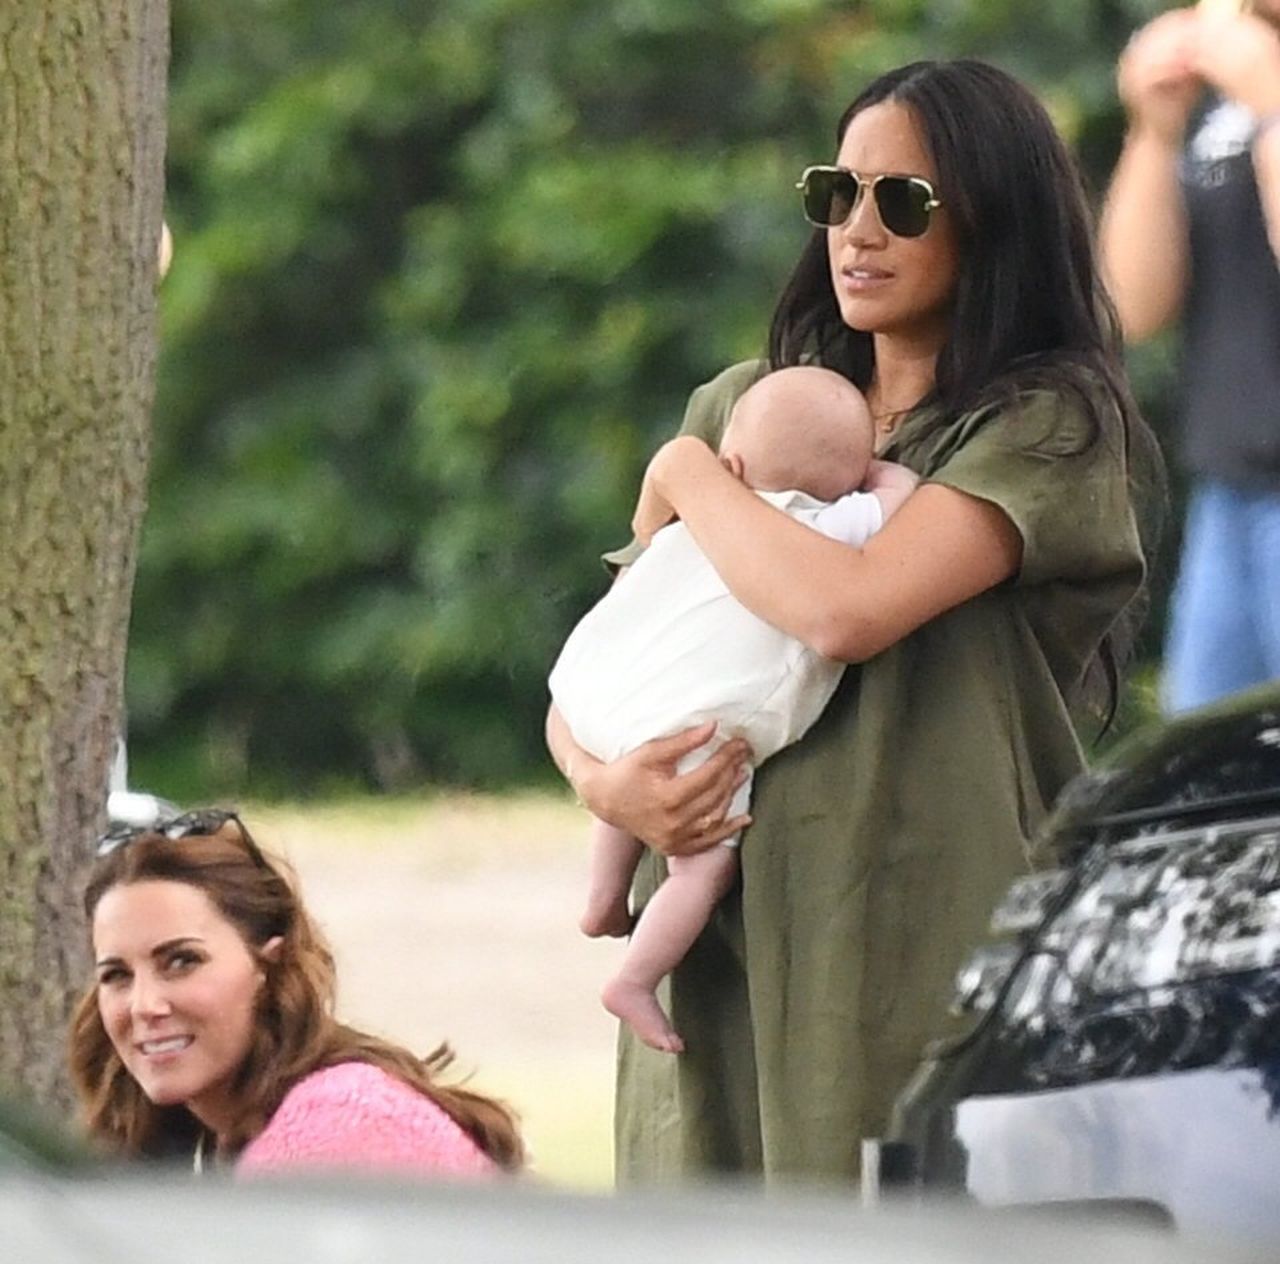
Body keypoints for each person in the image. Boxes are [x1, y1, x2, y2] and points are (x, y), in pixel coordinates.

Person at [546, 59, 1164, 1185]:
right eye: (837, 192)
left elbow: (845, 609)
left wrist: (689, 472)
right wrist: (605, 785)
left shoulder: (1044, 428)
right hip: (718, 944)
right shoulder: (752, 407)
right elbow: (616, 653)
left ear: (994, 225)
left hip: (910, 933)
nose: (857, 230)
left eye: (904, 202)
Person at [549, 366, 919, 1054]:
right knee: (703, 867)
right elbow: (903, 497)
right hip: (698, 727)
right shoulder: (831, 525)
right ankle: (634, 978)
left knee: (635, 757)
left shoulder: (692, 524)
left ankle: (604, 896)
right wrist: (876, 474)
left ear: (731, 461)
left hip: (598, 694)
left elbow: (643, 538)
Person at [69, 810, 524, 1177]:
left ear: (270, 963)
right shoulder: (241, 1134)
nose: (145, 1005)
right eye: (117, 975)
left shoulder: (338, 1127)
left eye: (182, 962)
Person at [1100, 1, 1280, 713]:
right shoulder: (1227, 89)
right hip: (1230, 494)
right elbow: (1135, 307)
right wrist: (1155, 128)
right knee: (1208, 787)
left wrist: (1270, 95)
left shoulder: (1256, 79)